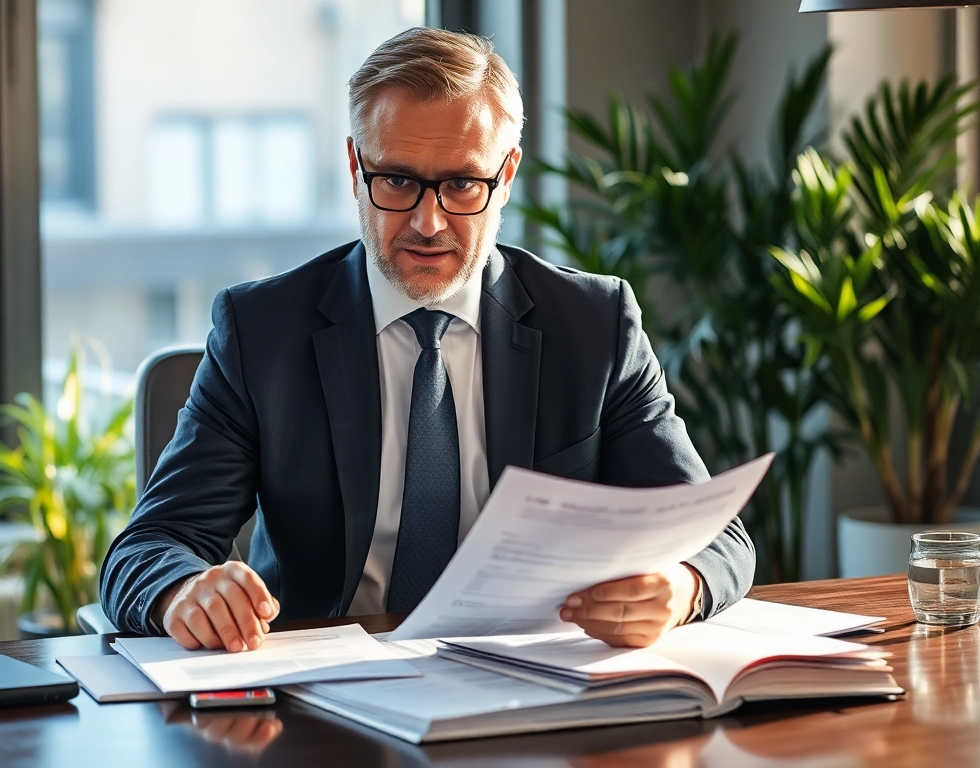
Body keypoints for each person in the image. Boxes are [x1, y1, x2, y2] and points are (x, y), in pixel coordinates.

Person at [102, 27, 753, 653]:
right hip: (325, 697)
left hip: (533, 687)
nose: (427, 221)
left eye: (463, 184)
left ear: (507, 175)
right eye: (398, 180)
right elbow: (150, 544)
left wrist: (682, 585)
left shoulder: (594, 324)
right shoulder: (262, 331)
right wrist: (183, 590)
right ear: (357, 166)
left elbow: (715, 534)